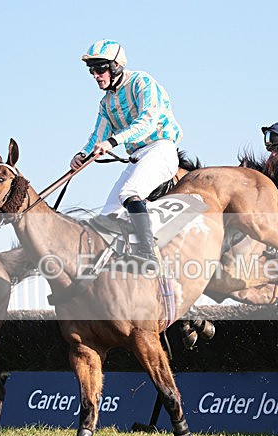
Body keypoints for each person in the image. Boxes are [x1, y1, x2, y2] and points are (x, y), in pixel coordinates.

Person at [70, 39, 182, 271]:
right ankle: (118, 261)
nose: (95, 75)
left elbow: (147, 121)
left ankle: (147, 252)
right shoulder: (106, 103)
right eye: (92, 70)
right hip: (137, 156)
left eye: (100, 68)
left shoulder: (142, 82)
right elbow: (97, 136)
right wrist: (82, 154)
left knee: (129, 192)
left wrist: (113, 141)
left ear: (116, 66)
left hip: (160, 148)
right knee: (107, 215)